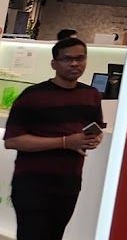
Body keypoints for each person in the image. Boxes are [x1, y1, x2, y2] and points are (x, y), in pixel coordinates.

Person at [3, 37, 104, 240]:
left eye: (80, 58)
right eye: (67, 59)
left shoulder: (91, 95)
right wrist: (66, 142)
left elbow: (95, 129)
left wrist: (93, 139)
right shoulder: (32, 96)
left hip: (69, 184)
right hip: (32, 184)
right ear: (54, 64)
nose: (75, 64)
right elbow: (12, 140)